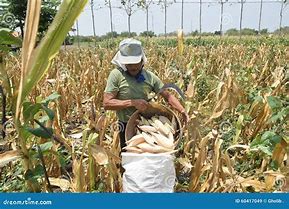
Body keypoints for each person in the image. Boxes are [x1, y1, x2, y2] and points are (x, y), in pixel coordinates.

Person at [103, 38, 189, 149]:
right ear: (123, 62)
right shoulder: (116, 75)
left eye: (136, 63)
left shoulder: (149, 77)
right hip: (125, 124)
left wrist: (182, 111)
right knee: (128, 155)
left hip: (148, 122)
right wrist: (133, 103)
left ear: (142, 60)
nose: (133, 67)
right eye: (129, 63)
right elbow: (107, 103)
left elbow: (168, 96)